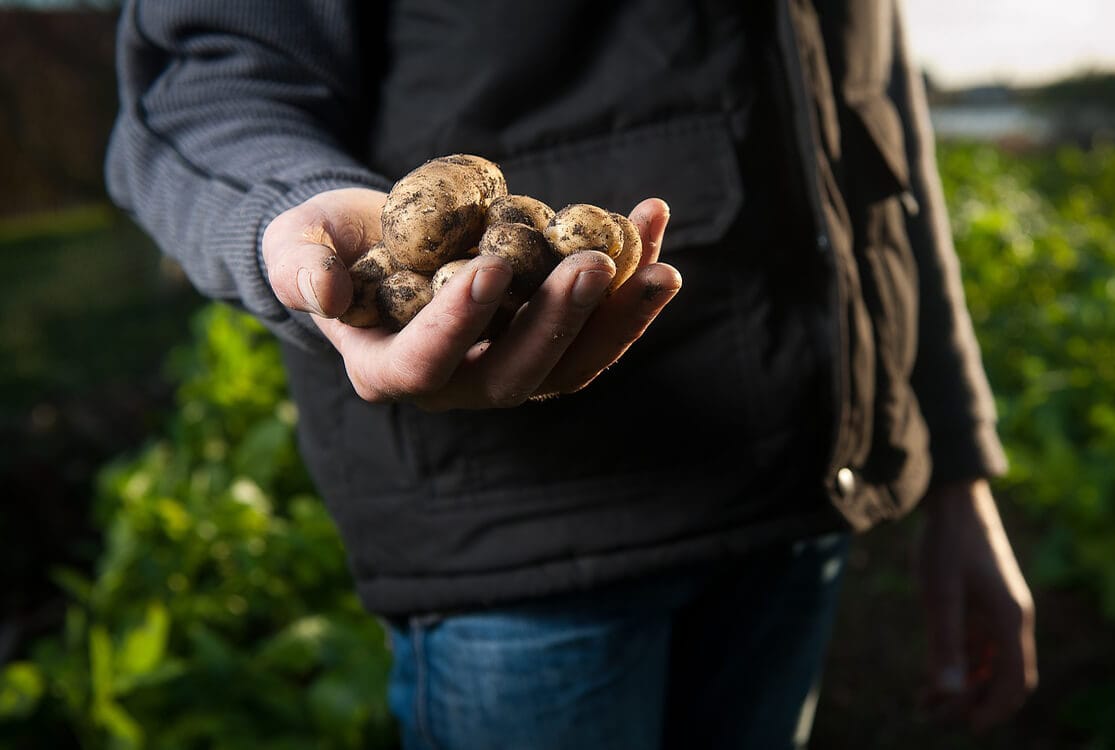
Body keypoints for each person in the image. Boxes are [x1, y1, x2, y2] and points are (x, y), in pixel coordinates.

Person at [106, 1, 1037, 747]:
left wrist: (954, 457)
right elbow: (203, 86)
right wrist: (291, 218)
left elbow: (875, 124)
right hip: (525, 541)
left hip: (793, 507)